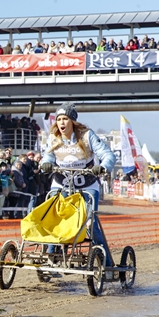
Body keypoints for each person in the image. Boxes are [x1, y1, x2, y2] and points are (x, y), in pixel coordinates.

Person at [41, 103, 116, 259]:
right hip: (61, 183)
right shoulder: (54, 137)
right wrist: (45, 164)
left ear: (73, 121)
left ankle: (106, 263)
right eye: (59, 119)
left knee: (91, 224)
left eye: (65, 119)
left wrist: (102, 167)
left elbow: (108, 156)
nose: (61, 123)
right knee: (52, 217)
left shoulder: (87, 136)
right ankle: (51, 257)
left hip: (87, 186)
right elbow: (47, 156)